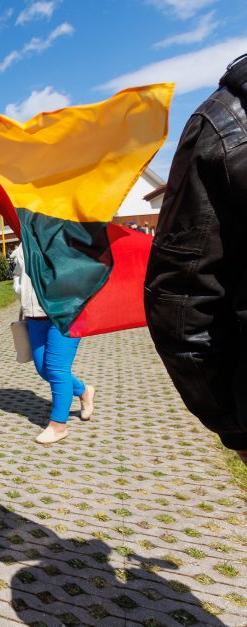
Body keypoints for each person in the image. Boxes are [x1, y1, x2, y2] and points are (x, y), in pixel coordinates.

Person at [145, 53, 247, 466]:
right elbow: (182, 291)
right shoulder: (227, 124)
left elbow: (178, 296)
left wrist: (231, 424)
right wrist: (232, 424)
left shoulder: (222, 123)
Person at [11, 244, 96, 444]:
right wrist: (20, 290)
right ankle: (84, 391)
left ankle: (58, 425)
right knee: (43, 369)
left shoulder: (64, 236)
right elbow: (18, 276)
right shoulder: (24, 243)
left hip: (65, 313)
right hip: (34, 316)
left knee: (57, 370)